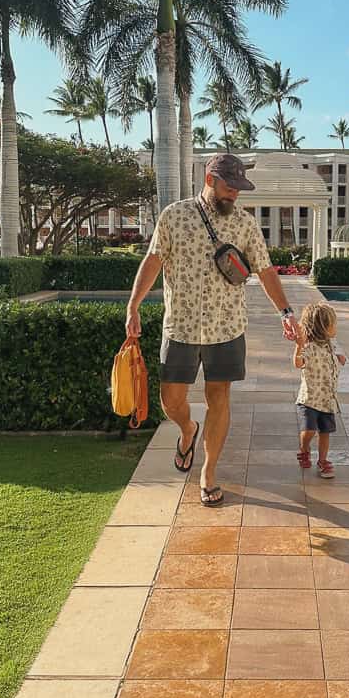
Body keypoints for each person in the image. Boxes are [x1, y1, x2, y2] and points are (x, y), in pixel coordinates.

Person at [125, 153, 301, 505]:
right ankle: (188, 429)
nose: (235, 194)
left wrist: (285, 312)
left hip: (228, 327)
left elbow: (265, 270)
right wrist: (133, 305)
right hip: (181, 328)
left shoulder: (246, 224)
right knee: (171, 401)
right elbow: (154, 260)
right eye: (230, 186)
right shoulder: (174, 216)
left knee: (218, 397)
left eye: (239, 188)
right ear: (210, 180)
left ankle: (209, 471)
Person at [293, 302, 346, 479]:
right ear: (323, 327)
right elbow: (298, 363)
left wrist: (339, 359)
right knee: (309, 430)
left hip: (328, 400)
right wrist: (299, 345)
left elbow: (336, 359)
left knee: (325, 433)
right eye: (333, 324)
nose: (336, 327)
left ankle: (323, 461)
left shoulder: (332, 345)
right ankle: (304, 447)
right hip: (309, 400)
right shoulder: (309, 347)